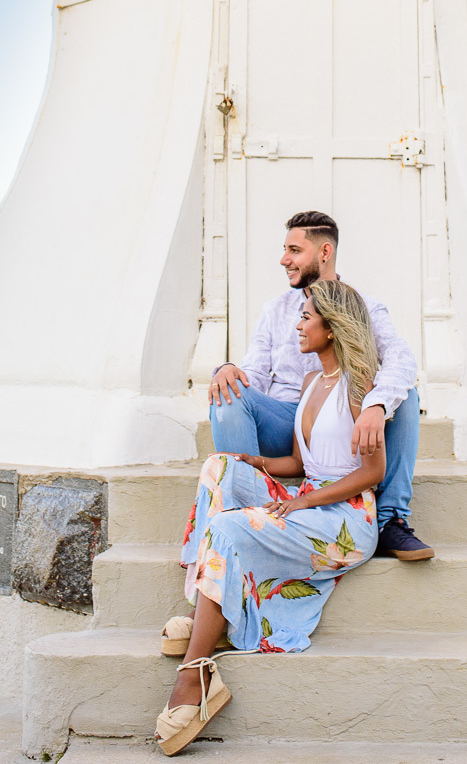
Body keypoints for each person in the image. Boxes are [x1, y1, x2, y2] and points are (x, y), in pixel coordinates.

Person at [155, 280, 385, 757]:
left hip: (345, 519)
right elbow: (300, 466)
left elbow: (372, 472)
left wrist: (303, 503)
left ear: (332, 326)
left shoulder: (360, 385)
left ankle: (197, 671)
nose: (298, 325)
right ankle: (208, 605)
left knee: (228, 526)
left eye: (306, 318)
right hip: (307, 492)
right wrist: (254, 463)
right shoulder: (309, 383)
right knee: (219, 468)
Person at [208, 210, 433, 561]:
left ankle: (390, 521)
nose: (285, 260)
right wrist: (226, 368)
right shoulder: (276, 310)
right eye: (285, 250)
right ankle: (248, 514)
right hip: (285, 422)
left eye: (294, 251)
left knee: (405, 397)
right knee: (228, 391)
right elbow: (253, 373)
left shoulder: (364, 307)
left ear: (324, 252)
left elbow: (402, 362)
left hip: (342, 426)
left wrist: (376, 405)